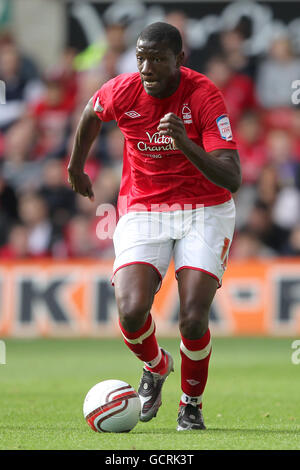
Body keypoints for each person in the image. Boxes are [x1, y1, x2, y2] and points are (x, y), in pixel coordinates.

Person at [67, 22, 241, 431]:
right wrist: (76, 166)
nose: (147, 67)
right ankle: (157, 365)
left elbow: (231, 177)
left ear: (179, 60)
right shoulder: (122, 89)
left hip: (205, 208)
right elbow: (92, 114)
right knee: (130, 312)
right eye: (141, 57)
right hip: (144, 206)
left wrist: (185, 143)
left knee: (193, 318)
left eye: (157, 59)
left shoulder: (203, 95)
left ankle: (191, 403)